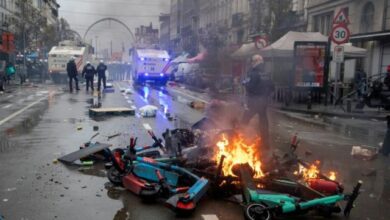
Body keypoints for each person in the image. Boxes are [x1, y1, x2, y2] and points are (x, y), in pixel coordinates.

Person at [241, 54, 274, 151]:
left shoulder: (253, 73)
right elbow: (272, 87)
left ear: (254, 62)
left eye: (252, 62)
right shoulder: (266, 73)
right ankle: (265, 143)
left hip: (254, 101)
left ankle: (238, 137)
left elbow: (248, 85)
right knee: (263, 122)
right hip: (263, 102)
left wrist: (244, 83)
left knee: (244, 120)